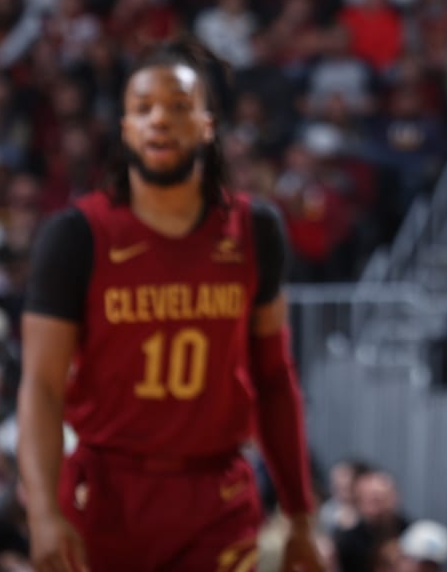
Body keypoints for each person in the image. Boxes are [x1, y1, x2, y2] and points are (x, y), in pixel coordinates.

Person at [18, 38, 321, 571]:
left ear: (207, 124)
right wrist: (42, 512)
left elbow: (274, 377)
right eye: (143, 108)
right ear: (125, 128)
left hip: (216, 495)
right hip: (108, 491)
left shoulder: (255, 230)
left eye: (179, 107)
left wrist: (300, 515)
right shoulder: (75, 236)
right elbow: (41, 386)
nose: (160, 120)